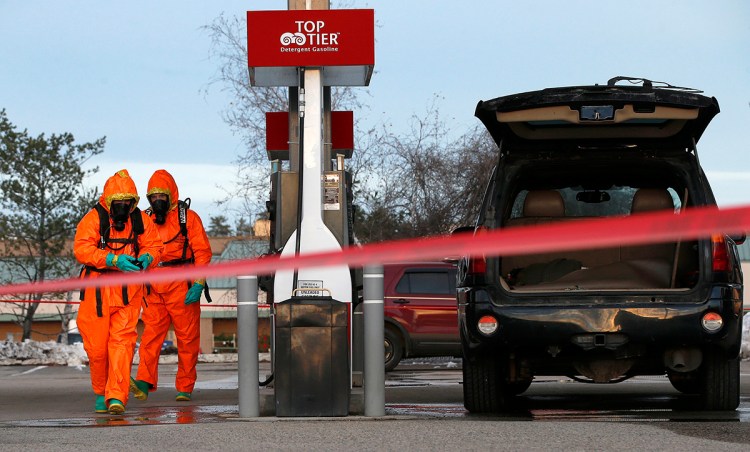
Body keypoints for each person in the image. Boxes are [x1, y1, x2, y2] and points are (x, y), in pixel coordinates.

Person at [74, 169, 163, 415]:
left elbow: (155, 246)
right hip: (97, 292)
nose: (124, 206)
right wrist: (113, 259)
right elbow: (82, 250)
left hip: (128, 291)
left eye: (128, 202)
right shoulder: (93, 219)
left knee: (122, 344)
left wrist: (148, 258)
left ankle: (116, 396)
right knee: (97, 348)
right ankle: (101, 391)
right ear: (109, 201)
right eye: (119, 202)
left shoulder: (140, 221)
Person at [130, 169, 212, 402]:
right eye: (152, 197)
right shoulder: (144, 219)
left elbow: (202, 252)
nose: (157, 201)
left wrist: (198, 282)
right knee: (149, 338)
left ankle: (185, 387)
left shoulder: (189, 218)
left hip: (182, 285)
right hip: (153, 287)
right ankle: (144, 382)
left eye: (161, 196)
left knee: (187, 339)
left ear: (171, 195)